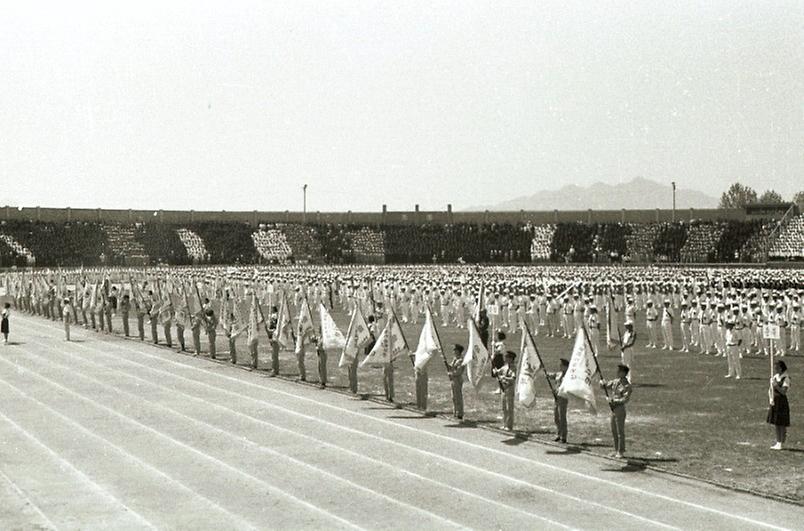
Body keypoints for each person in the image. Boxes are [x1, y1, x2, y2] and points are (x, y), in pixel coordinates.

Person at [599, 364, 633, 458]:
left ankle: (621, 451)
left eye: (619, 371)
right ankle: (616, 449)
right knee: (614, 430)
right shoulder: (615, 381)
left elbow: (625, 399)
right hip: (613, 409)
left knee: (620, 431)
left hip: (620, 409)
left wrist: (614, 401)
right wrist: (602, 382)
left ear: (623, 373)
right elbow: (605, 386)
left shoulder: (627, 386)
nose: (617, 372)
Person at [767, 360, 790, 450]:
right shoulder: (775, 377)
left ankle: (781, 442)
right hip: (775, 402)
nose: (775, 369)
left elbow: (783, 392)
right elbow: (770, 390)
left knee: (782, 423)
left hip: (782, 402)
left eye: (777, 367)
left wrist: (776, 385)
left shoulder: (786, 378)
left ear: (781, 368)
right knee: (776, 423)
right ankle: (778, 441)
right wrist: (771, 399)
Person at [492, 350, 517, 431]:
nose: (505, 358)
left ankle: (509, 426)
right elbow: (498, 372)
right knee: (504, 408)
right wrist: (495, 371)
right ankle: (505, 424)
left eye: (507, 357)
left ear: (511, 359)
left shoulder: (513, 368)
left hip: (509, 389)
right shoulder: (505, 367)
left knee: (509, 408)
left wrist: (504, 378)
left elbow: (513, 379)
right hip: (503, 389)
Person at [550, 358, 570, 443]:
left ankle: (563, 436)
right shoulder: (558, 374)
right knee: (556, 417)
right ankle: (558, 433)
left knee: (562, 417)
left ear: (566, 367)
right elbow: (552, 376)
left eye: (561, 365)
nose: (560, 366)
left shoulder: (568, 376)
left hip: (563, 397)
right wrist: (546, 373)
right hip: (556, 398)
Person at [447, 344, 465, 420]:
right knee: (453, 397)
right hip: (453, 379)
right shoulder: (455, 359)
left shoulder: (460, 360)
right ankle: (455, 412)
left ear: (458, 351)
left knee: (458, 396)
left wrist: (451, 373)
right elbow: (451, 367)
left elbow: (459, 372)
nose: (453, 351)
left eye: (455, 350)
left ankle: (459, 413)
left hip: (457, 379)